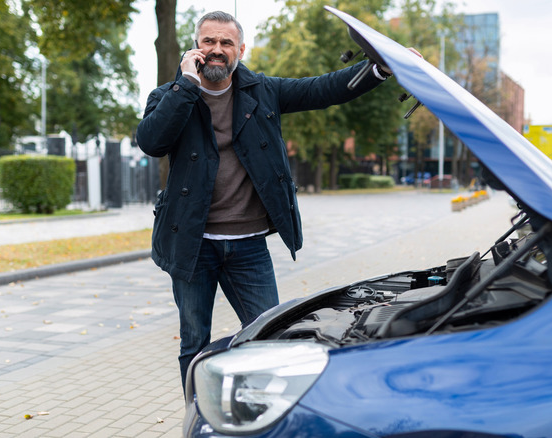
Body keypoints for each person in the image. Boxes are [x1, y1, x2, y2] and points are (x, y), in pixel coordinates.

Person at [136, 11, 393, 387]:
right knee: (193, 341)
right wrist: (187, 86)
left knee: (271, 336)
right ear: (195, 48)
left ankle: (261, 412)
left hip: (249, 247)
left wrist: (379, 71)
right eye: (208, 41)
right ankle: (197, 413)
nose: (217, 50)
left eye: (226, 42)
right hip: (192, 245)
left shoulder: (262, 91)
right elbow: (151, 142)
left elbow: (321, 89)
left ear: (240, 49)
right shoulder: (170, 95)